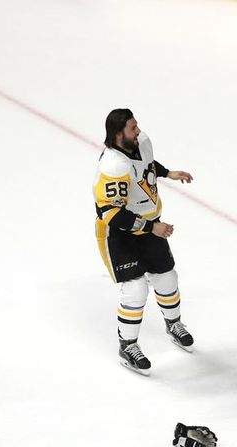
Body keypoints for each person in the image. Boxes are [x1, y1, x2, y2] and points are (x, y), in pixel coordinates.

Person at [93, 108, 194, 375]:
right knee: (136, 289)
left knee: (167, 278)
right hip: (120, 234)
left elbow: (146, 165)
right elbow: (111, 213)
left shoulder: (141, 142)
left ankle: (174, 324)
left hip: (149, 228)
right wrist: (152, 227)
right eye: (132, 128)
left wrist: (168, 173)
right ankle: (127, 345)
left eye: (137, 126)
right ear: (118, 134)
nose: (138, 131)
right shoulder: (113, 166)